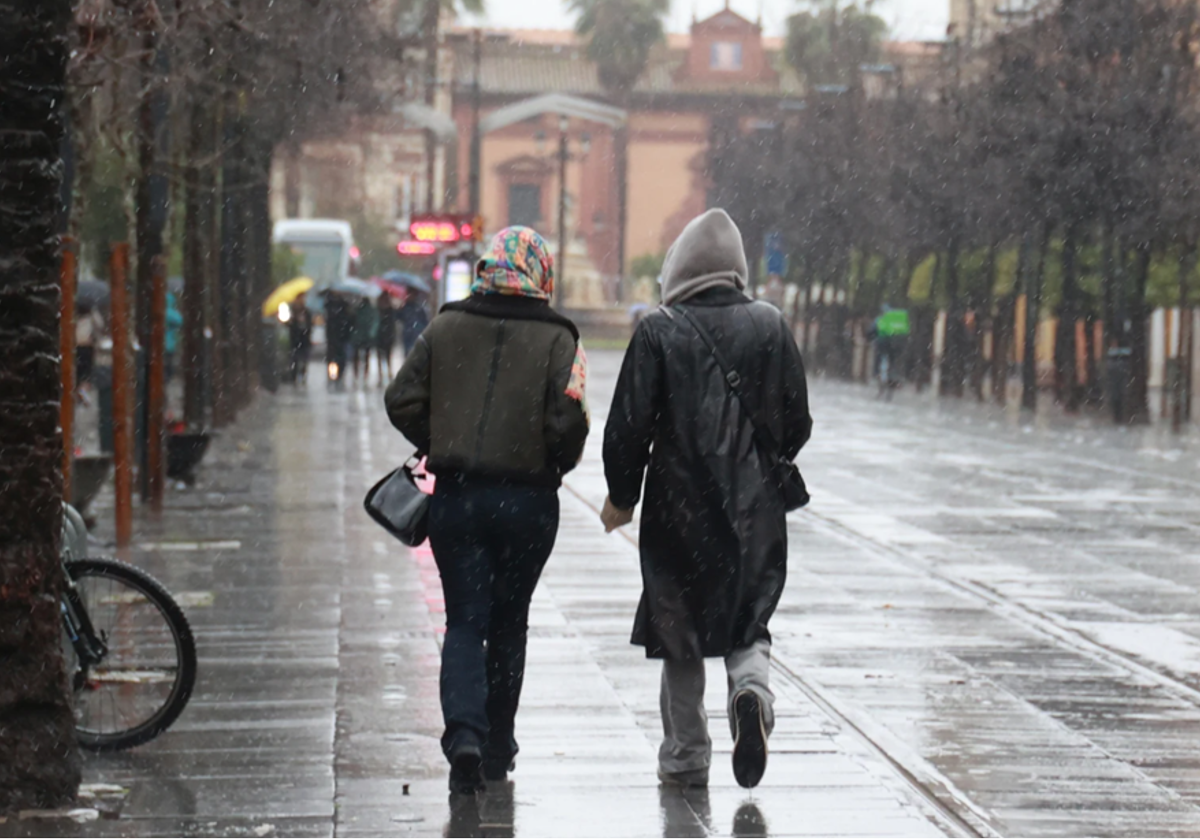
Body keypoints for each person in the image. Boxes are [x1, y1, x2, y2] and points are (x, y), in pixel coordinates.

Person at [601, 208, 812, 790]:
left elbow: (627, 428)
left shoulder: (657, 329)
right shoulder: (771, 325)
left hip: (678, 506)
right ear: (736, 269)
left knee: (681, 628)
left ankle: (687, 754)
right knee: (748, 619)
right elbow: (798, 421)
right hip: (756, 509)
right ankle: (750, 694)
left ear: (680, 269)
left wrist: (622, 494)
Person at [385, 226, 590, 795]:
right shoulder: (560, 341)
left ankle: (465, 736)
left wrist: (440, 438)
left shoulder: (445, 327)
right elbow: (569, 420)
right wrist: (554, 460)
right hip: (528, 501)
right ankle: (499, 744)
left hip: (458, 497)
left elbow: (399, 397)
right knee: (509, 621)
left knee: (465, 620)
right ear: (539, 273)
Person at [323, 291, 351, 389]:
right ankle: (334, 376)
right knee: (334, 358)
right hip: (335, 336)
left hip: (339, 336)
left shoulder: (340, 306)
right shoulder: (330, 305)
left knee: (338, 358)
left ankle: (337, 376)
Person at [288, 293, 314, 384]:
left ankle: (303, 375)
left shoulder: (307, 312)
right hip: (295, 339)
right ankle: (294, 377)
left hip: (305, 340)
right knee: (294, 359)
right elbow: (289, 325)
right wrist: (294, 321)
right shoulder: (292, 312)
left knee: (304, 359)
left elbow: (310, 325)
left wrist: (306, 326)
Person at [351, 296, 377, 385]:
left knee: (357, 357)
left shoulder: (360, 310)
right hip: (364, 337)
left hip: (359, 337)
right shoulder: (370, 310)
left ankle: (357, 375)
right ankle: (363, 375)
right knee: (365, 357)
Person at [397, 289, 430, 356]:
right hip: (407, 335)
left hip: (416, 335)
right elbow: (398, 317)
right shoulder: (405, 307)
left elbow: (424, 322)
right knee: (407, 354)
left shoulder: (419, 308)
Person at [374, 294, 396, 387]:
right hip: (381, 337)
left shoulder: (389, 311)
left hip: (386, 337)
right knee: (381, 357)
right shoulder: (379, 311)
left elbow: (392, 325)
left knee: (387, 357)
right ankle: (381, 376)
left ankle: (387, 374)